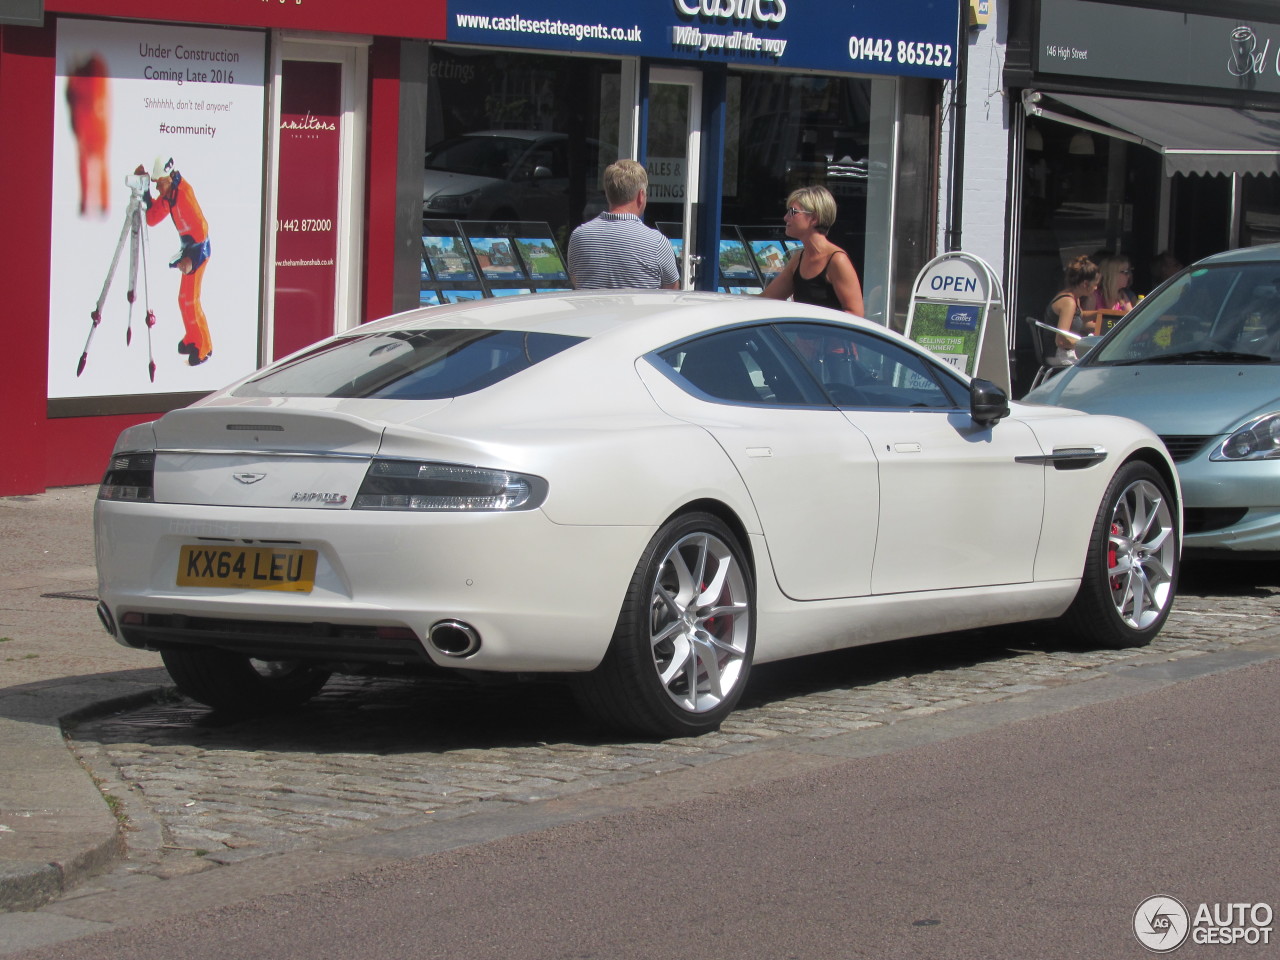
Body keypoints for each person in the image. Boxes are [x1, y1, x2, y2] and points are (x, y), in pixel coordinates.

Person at [140, 156, 213, 365]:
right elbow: (152, 218)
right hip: (189, 250)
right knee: (184, 299)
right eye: (156, 185)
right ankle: (192, 338)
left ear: (170, 178)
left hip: (198, 251)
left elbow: (202, 229)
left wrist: (192, 259)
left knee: (192, 300)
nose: (158, 189)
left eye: (159, 184)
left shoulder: (184, 195)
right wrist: (145, 194)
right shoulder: (169, 197)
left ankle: (204, 347)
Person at [567, 159, 679, 290]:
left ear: (608, 194)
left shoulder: (579, 236)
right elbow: (671, 292)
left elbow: (575, 280)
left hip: (593, 310)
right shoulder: (657, 243)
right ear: (641, 196)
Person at [760, 185, 864, 316]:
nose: (786, 217)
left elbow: (856, 314)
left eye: (793, 212)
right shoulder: (799, 258)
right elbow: (766, 298)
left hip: (828, 336)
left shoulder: (837, 260)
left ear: (814, 218)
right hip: (800, 336)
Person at [1044, 255, 1100, 367]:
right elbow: (1061, 341)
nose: (1096, 288)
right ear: (1085, 284)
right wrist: (1089, 344)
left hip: (1064, 352)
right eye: (1095, 284)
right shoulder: (1068, 302)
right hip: (1058, 354)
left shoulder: (1074, 296)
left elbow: (1079, 316)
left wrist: (1101, 314)